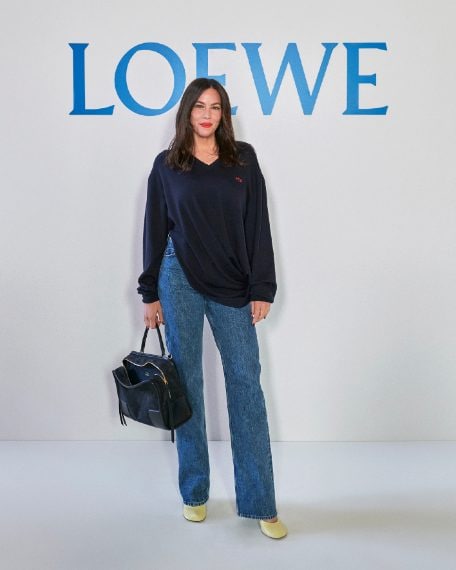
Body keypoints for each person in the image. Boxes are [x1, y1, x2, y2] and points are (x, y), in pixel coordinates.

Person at [137, 77, 288, 539]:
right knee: (187, 385)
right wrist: (150, 292)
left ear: (224, 114)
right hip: (178, 277)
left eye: (216, 107)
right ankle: (195, 493)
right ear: (187, 112)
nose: (207, 115)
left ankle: (261, 504)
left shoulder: (243, 158)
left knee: (246, 385)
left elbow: (257, 224)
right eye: (200, 106)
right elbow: (155, 228)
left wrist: (262, 286)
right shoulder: (167, 164)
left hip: (234, 283)